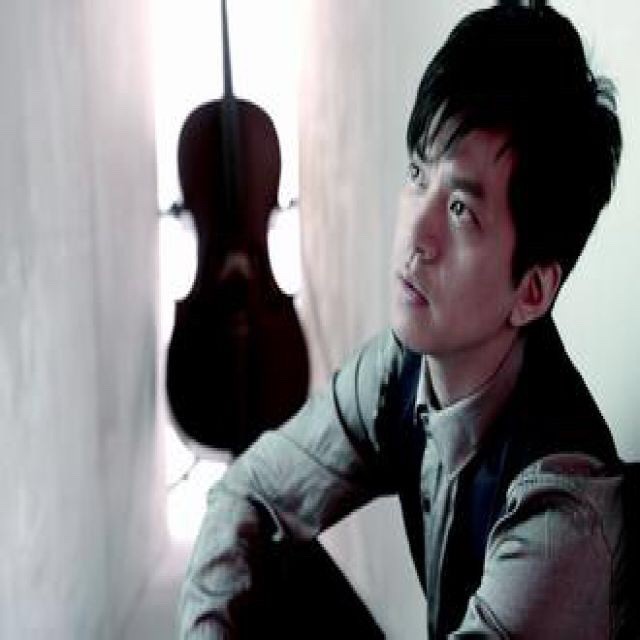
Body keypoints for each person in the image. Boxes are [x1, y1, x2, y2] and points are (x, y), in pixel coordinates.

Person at [179, 3, 626, 638]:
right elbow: (244, 494)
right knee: (261, 550)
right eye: (417, 174)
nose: (416, 235)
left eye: (461, 209)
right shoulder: (401, 369)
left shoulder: (561, 519)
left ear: (531, 291)